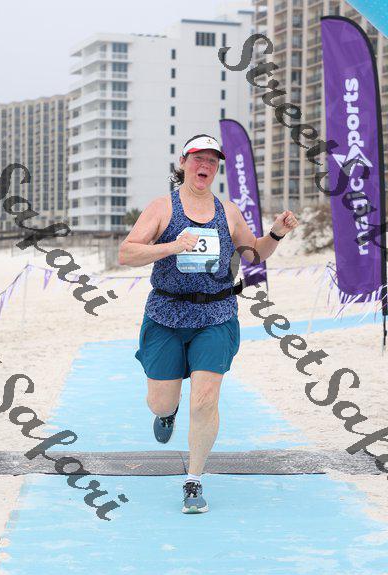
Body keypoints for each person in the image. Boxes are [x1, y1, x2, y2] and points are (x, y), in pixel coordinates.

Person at [119, 133, 298, 513]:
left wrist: (276, 234)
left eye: (212, 161)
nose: (205, 166)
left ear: (217, 168)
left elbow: (253, 254)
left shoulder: (228, 211)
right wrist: (172, 246)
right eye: (198, 158)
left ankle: (194, 479)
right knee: (160, 401)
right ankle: (167, 414)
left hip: (216, 315)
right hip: (166, 315)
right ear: (183, 163)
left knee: (205, 400)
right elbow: (127, 253)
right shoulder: (161, 207)